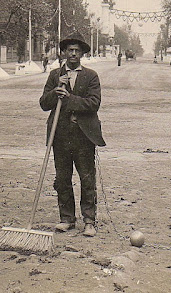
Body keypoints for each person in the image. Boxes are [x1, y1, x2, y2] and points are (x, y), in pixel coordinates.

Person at [39, 31, 106, 237]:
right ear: (64, 52)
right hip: (60, 136)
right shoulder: (54, 76)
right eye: (70, 50)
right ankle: (66, 218)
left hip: (84, 136)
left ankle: (89, 220)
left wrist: (68, 98)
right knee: (62, 179)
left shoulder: (91, 76)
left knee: (87, 179)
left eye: (77, 51)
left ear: (82, 54)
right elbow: (43, 104)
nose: (73, 54)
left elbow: (93, 104)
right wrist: (54, 93)